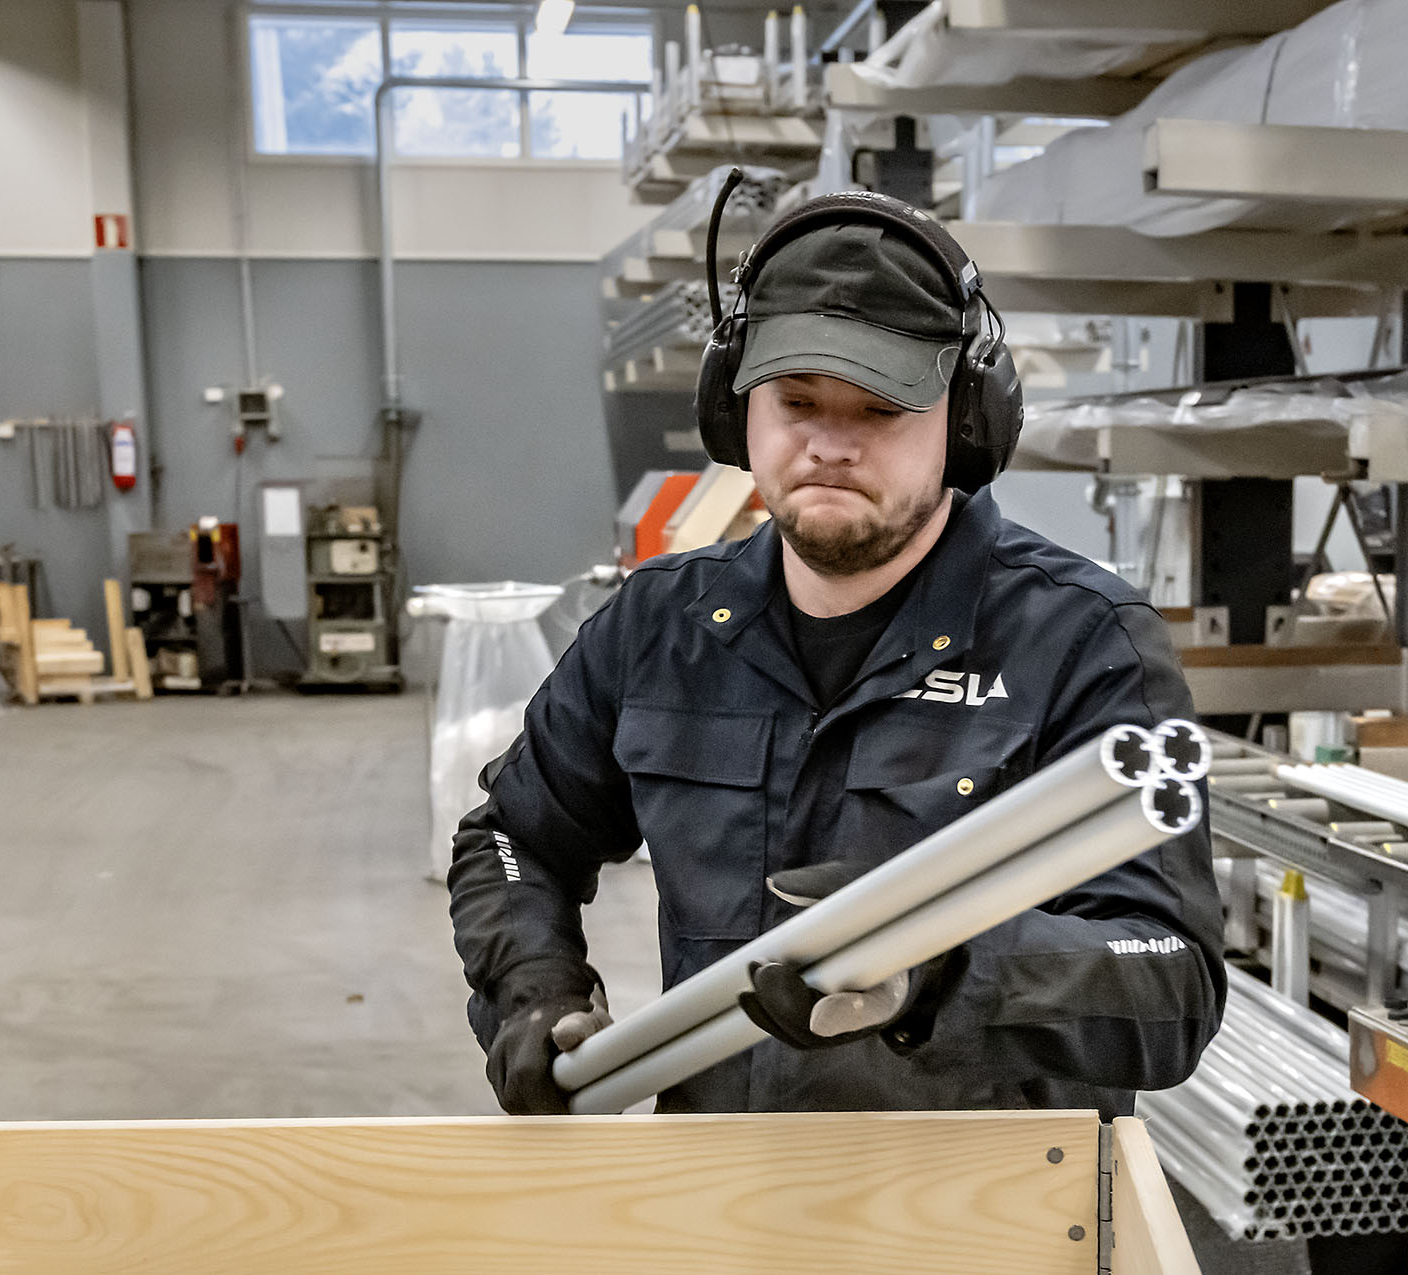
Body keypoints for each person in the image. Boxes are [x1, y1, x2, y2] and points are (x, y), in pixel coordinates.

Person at [450, 186, 1225, 1115]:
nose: (829, 445)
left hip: (986, 1196)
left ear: (964, 420)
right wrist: (534, 991)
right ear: (737, 409)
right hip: (721, 1185)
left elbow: (1171, 982)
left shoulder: (1083, 639)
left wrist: (939, 971)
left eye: (880, 408)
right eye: (797, 401)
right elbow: (514, 837)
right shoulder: (659, 626)